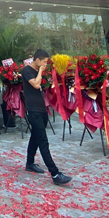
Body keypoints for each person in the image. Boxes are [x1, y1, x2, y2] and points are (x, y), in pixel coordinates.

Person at [21, 49, 72, 185]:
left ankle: (30, 163)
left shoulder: (38, 70)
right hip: (33, 110)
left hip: (41, 108)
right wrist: (40, 71)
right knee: (43, 141)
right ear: (37, 60)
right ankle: (55, 174)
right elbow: (36, 84)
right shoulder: (27, 70)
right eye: (44, 62)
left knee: (35, 137)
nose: (45, 64)